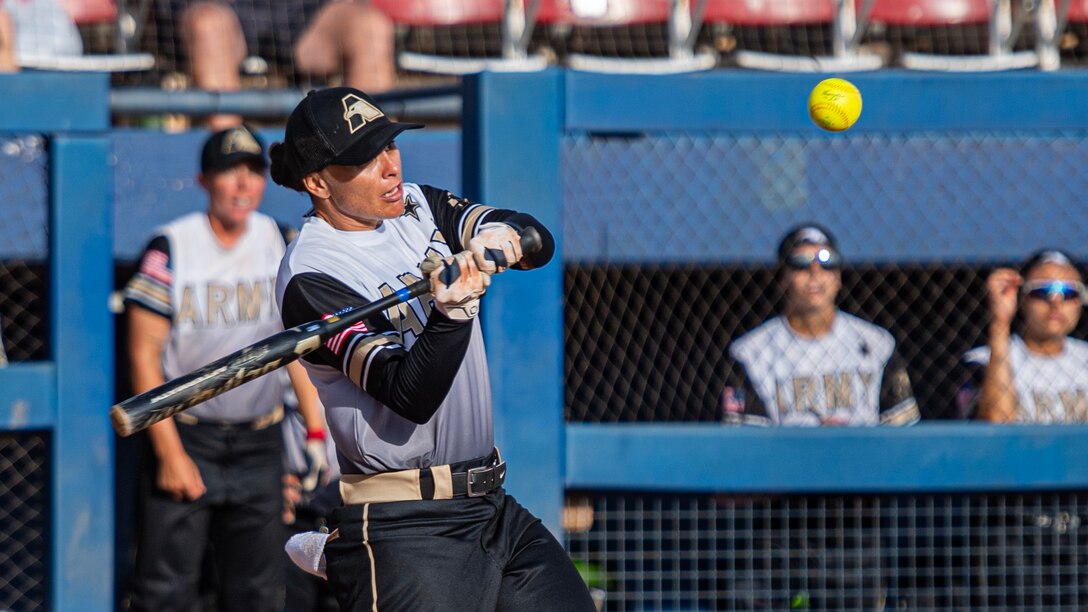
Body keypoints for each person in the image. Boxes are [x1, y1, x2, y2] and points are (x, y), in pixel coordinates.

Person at [269, 86, 596, 611]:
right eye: (363, 158)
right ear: (316, 182)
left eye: (389, 146)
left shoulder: (417, 206)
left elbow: (538, 240)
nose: (389, 166)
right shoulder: (310, 273)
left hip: (490, 506)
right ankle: (347, 551)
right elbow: (408, 393)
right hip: (405, 526)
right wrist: (453, 314)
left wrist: (502, 236)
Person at [122, 124, 325, 611]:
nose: (242, 185)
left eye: (253, 172)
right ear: (203, 180)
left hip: (260, 443)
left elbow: (295, 347)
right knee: (165, 589)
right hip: (190, 435)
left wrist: (316, 433)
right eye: (229, 172)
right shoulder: (170, 246)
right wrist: (170, 454)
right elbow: (143, 354)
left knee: (258, 590)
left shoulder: (282, 238)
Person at [722, 223, 920, 427]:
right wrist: (814, 441)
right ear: (783, 278)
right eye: (801, 262)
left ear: (838, 277)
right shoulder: (750, 353)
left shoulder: (877, 344)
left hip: (862, 458)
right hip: (788, 459)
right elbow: (746, 447)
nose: (815, 271)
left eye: (827, 261)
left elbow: (903, 433)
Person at [157, 0, 396, 129]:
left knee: (370, 28)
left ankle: (368, 161)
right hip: (216, 9)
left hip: (302, 11)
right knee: (208, 26)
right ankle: (231, 165)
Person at [957, 249, 1088, 423]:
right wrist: (1000, 323)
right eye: (1042, 291)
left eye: (1069, 292)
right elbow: (997, 423)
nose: (1055, 302)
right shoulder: (983, 360)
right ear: (1022, 299)